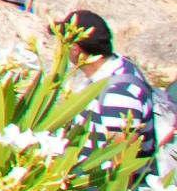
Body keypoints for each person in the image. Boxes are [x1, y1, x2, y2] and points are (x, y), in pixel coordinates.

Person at [60, 12, 166, 168]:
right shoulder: (120, 65)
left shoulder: (118, 94)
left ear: (75, 49)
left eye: (62, 42)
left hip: (96, 182)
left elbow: (122, 166)